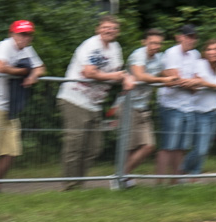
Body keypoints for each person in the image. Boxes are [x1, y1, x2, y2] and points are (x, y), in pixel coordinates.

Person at [57, 16, 130, 190]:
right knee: (75, 144)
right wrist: (115, 77)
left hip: (94, 103)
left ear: (117, 32)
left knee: (93, 148)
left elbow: (117, 71)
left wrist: (126, 77)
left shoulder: (115, 48)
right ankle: (70, 186)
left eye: (113, 28)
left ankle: (79, 184)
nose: (109, 30)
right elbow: (89, 72)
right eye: (105, 27)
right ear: (98, 29)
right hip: (75, 99)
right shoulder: (91, 46)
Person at [0, 20, 44, 193]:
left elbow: (41, 67)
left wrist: (33, 75)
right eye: (21, 33)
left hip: (9, 106)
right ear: (12, 34)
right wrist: (24, 72)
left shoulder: (28, 49)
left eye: (27, 34)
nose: (24, 37)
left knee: (12, 150)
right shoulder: (4, 45)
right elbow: (0, 67)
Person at [156, 24, 202, 182]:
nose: (191, 40)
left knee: (181, 147)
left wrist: (189, 82)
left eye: (194, 37)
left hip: (189, 106)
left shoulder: (195, 54)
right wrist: (192, 83)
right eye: (188, 36)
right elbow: (175, 79)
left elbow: (198, 81)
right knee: (168, 145)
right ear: (180, 37)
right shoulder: (171, 53)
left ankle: (174, 180)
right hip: (171, 106)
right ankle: (160, 181)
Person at [182, 39, 216, 176]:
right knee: (201, 149)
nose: (213, 52)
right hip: (200, 112)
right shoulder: (200, 64)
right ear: (205, 52)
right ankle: (183, 170)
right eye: (209, 49)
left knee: (206, 146)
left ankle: (194, 174)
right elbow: (199, 81)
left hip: (214, 111)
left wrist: (211, 85)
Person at [122, 29, 166, 184]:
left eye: (158, 43)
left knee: (149, 146)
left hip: (144, 106)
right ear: (144, 42)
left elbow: (167, 72)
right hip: (128, 104)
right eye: (152, 43)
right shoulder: (138, 55)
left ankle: (121, 175)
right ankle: (122, 178)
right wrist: (164, 80)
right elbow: (139, 76)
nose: (155, 46)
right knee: (129, 147)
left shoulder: (159, 58)